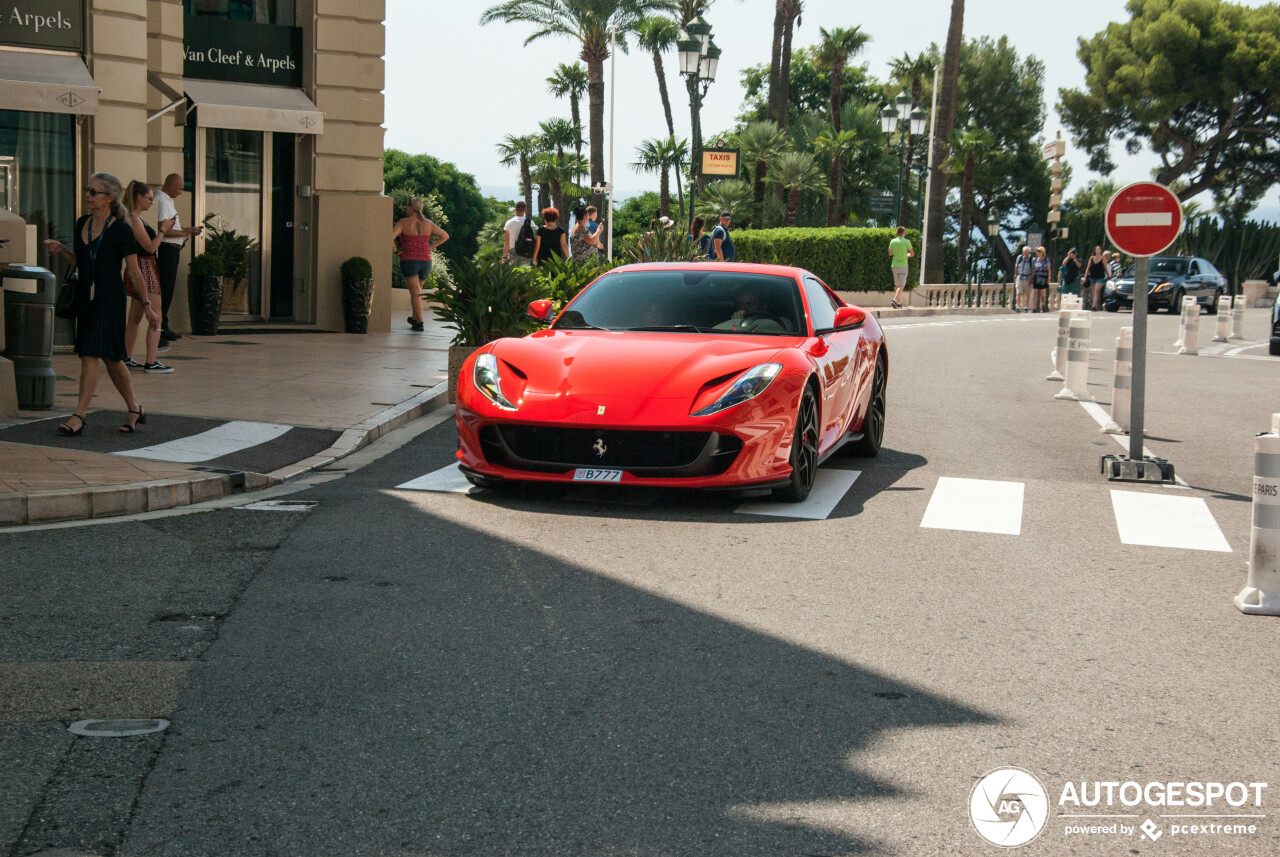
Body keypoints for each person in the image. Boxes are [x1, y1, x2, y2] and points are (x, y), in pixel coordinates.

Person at [41, 172, 148, 435]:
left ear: (110, 197)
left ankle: (79, 415)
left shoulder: (122, 229)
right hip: (85, 298)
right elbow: (82, 262)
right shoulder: (82, 224)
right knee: (108, 358)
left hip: (110, 299)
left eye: (94, 192)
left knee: (96, 356)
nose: (88, 196)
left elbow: (134, 271)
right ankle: (134, 407)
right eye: (87, 191)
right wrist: (63, 250)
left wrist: (147, 306)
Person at [121, 181, 174, 373]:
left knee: (135, 316)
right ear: (139, 197)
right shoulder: (134, 219)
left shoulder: (133, 218)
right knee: (155, 314)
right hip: (145, 267)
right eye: (149, 199)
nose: (151, 202)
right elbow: (150, 247)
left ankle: (127, 357)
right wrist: (163, 230)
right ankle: (151, 360)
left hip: (139, 266)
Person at [153, 173, 201, 342]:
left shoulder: (167, 201)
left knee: (168, 289)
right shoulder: (161, 200)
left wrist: (187, 230)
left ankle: (164, 325)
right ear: (171, 185)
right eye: (180, 188)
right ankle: (160, 328)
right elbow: (162, 228)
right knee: (164, 289)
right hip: (166, 249)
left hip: (172, 248)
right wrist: (184, 232)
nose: (181, 192)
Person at [392, 196, 449, 332]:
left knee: (416, 294)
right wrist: (431, 247)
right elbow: (445, 235)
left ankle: (420, 323)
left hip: (409, 260)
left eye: (407, 206)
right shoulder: (428, 223)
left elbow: (390, 237)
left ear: (411, 207)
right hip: (425, 262)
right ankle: (414, 319)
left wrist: (396, 252)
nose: (406, 208)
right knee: (418, 292)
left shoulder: (403, 222)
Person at [713, 285, 785, 333]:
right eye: (740, 304)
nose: (744, 308)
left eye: (749, 304)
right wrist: (734, 323)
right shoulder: (724, 325)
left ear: (763, 306)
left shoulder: (780, 324)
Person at [887, 226, 914, 308]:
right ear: (903, 233)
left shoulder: (893, 241)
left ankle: (899, 303)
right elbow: (912, 253)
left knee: (897, 285)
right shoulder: (907, 242)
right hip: (903, 266)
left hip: (894, 265)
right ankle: (894, 300)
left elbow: (890, 253)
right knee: (901, 286)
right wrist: (907, 255)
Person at [502, 201, 533, 266]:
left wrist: (504, 256)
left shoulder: (509, 223)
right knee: (525, 273)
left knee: (514, 274)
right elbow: (531, 239)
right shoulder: (530, 223)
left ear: (515, 210)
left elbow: (507, 241)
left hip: (513, 250)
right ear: (525, 211)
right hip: (525, 251)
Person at [1085, 245, 1107, 311]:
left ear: (1101, 251)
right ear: (1095, 250)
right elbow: (1088, 268)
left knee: (1097, 290)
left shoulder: (1103, 258)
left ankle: (1094, 306)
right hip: (1092, 277)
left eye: (1099, 249)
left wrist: (1108, 275)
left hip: (1100, 277)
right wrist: (1085, 276)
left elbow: (1105, 267)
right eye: (1097, 249)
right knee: (1093, 292)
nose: (1098, 250)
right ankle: (1095, 305)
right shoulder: (1091, 258)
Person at [1014, 245, 1034, 313]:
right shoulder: (1019, 258)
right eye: (1024, 252)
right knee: (1019, 292)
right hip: (1020, 277)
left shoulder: (1031, 259)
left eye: (1026, 252)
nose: (1025, 254)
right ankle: (1018, 306)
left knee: (1027, 293)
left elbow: (1033, 269)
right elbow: (1016, 266)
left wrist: (1031, 279)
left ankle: (1026, 307)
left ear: (1029, 253)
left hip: (1028, 277)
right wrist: (1015, 276)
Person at [1032, 246, 1051, 312]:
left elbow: (1049, 269)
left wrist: (1049, 278)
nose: (1038, 252)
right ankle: (1034, 307)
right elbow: (1034, 269)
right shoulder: (1035, 259)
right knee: (1035, 293)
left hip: (1044, 276)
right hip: (1037, 276)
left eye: (1039, 251)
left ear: (1043, 252)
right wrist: (1032, 278)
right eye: (1037, 251)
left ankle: (1043, 305)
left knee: (1042, 294)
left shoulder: (1046, 259)